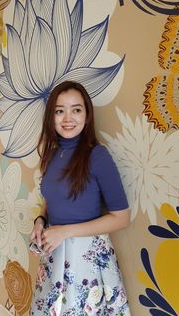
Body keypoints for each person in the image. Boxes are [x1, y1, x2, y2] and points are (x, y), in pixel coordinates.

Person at [30, 81, 131, 316]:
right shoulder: (52, 153)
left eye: (76, 109)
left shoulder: (98, 156)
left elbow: (122, 218)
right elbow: (51, 199)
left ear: (87, 116)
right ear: (51, 117)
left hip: (86, 259)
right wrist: (40, 220)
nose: (68, 118)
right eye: (59, 110)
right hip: (54, 253)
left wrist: (65, 232)